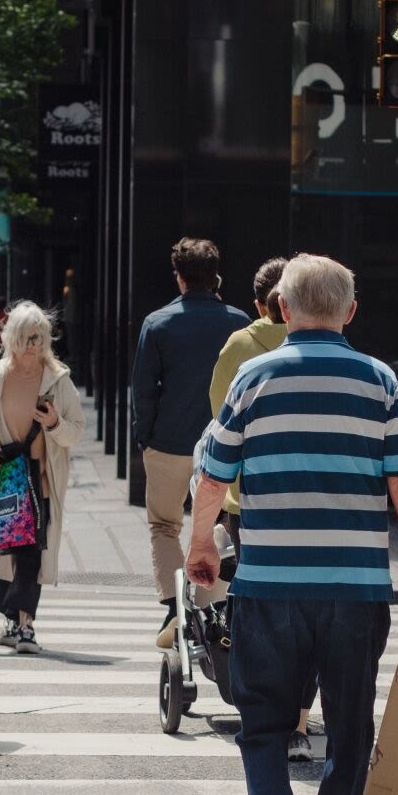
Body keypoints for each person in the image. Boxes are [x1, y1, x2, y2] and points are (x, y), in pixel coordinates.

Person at [188, 254, 398, 795]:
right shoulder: (379, 380)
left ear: (282, 309)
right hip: (355, 590)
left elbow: (213, 477)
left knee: (264, 722)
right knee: (350, 731)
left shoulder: (253, 375)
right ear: (349, 312)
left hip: (271, 586)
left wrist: (201, 547)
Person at [208, 256, 318, 764]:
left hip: (250, 502)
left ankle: (267, 715)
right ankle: (298, 721)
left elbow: (220, 424)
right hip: (317, 504)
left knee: (264, 611)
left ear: (266, 305)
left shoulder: (242, 348)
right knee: (311, 614)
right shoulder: (335, 353)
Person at [132, 237, 252, 647]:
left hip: (168, 440)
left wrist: (143, 436)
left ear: (178, 276)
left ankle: (173, 608)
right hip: (224, 445)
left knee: (165, 525)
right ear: (216, 275)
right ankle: (209, 611)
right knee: (219, 527)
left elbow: (143, 389)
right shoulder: (238, 323)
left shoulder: (158, 323)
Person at [0, 301, 84, 653]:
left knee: (32, 550)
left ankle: (26, 625)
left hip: (42, 480)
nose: (33, 344)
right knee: (8, 548)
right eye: (26, 337)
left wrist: (54, 424)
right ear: (11, 338)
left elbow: (76, 430)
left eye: (39, 337)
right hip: (6, 476)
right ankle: (10, 621)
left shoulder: (58, 379)